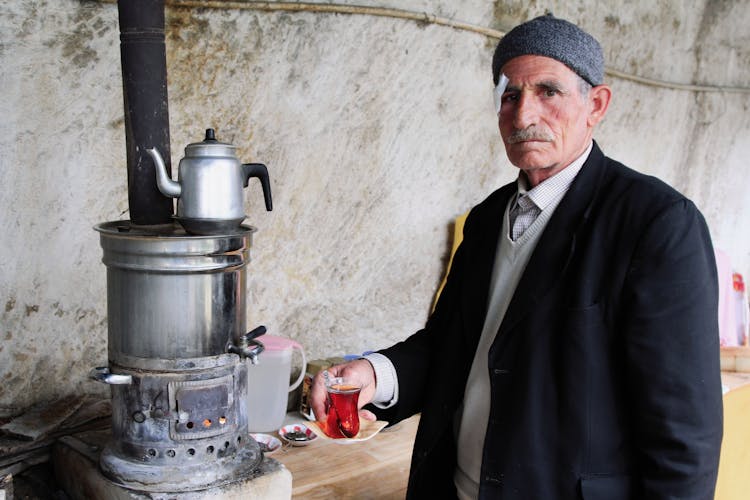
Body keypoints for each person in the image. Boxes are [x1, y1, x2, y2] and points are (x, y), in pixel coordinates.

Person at [311, 14, 723, 499]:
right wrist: (374, 375)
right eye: (510, 95)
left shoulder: (654, 225)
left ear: (596, 104)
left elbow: (683, 438)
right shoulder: (487, 220)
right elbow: (450, 345)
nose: (524, 115)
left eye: (548, 91)